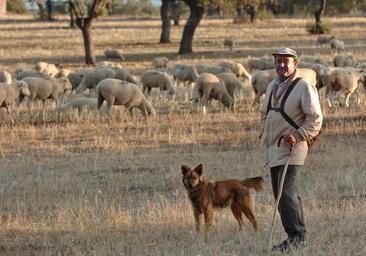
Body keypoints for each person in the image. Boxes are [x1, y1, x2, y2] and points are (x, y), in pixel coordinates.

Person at [259, 48, 323, 253]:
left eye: (286, 61)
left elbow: (315, 118)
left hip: (291, 148)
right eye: (278, 61)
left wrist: (298, 134)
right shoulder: (271, 86)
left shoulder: (304, 86)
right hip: (273, 148)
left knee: (286, 193)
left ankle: (298, 238)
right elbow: (264, 113)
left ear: (295, 63)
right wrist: (264, 132)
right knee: (280, 193)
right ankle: (293, 236)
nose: (281, 65)